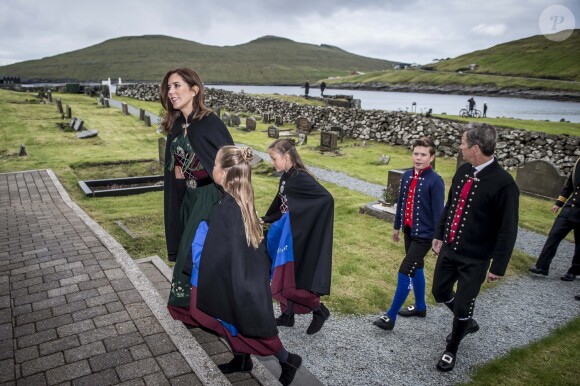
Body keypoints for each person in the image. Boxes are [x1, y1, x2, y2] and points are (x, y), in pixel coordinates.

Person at [169, 146, 302, 385]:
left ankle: (288, 359)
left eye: (215, 164)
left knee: (247, 324)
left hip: (235, 282)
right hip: (234, 277)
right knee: (228, 317)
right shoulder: (235, 201)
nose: (212, 169)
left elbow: (221, 250)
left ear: (225, 172)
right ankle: (242, 358)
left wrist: (199, 253)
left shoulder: (230, 208)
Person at [431, 123, 519, 372]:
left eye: (463, 143)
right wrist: (440, 235)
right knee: (439, 292)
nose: (460, 147)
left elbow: (508, 229)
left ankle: (452, 349)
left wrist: (498, 266)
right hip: (450, 249)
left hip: (476, 259)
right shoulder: (462, 172)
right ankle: (466, 321)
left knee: (462, 305)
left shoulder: (504, 184)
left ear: (476, 148)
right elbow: (450, 206)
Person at [161, 68, 234, 311]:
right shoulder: (176, 124)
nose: (171, 92)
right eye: (169, 87)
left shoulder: (210, 123)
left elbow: (231, 165)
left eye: (177, 86)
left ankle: (188, 307)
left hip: (208, 198)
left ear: (195, 90)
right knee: (195, 252)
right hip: (187, 199)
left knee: (189, 253)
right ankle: (202, 305)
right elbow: (176, 171)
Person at [262, 138, 334, 335]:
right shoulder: (285, 177)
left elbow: (326, 199)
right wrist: (266, 218)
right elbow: (281, 204)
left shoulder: (301, 177)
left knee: (287, 279)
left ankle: (319, 310)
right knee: (280, 274)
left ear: (286, 157)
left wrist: (301, 221)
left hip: (295, 236)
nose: (272, 162)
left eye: (274, 158)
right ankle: (288, 314)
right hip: (283, 233)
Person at [373, 137, 445, 331]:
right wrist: (397, 226)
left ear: (432, 157)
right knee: (417, 267)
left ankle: (390, 316)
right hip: (408, 230)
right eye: (416, 153)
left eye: (423, 154)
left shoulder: (436, 181)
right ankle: (420, 307)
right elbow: (402, 204)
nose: (418, 158)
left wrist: (439, 239)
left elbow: (440, 213)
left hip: (425, 236)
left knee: (405, 270)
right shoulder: (406, 176)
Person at [529, 156, 579, 281]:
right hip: (570, 208)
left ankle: (573, 271)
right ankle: (542, 266)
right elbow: (570, 185)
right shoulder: (578, 161)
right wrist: (558, 203)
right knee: (554, 235)